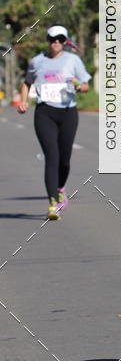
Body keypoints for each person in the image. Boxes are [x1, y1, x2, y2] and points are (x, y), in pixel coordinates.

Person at [17, 25, 91, 220]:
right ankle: (52, 203)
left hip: (67, 113)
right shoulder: (37, 62)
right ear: (48, 41)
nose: (56, 42)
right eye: (52, 39)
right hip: (44, 113)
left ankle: (60, 188)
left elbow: (85, 86)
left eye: (60, 39)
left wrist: (78, 85)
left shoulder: (73, 60)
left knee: (64, 160)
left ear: (65, 41)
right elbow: (27, 82)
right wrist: (24, 100)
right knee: (52, 156)